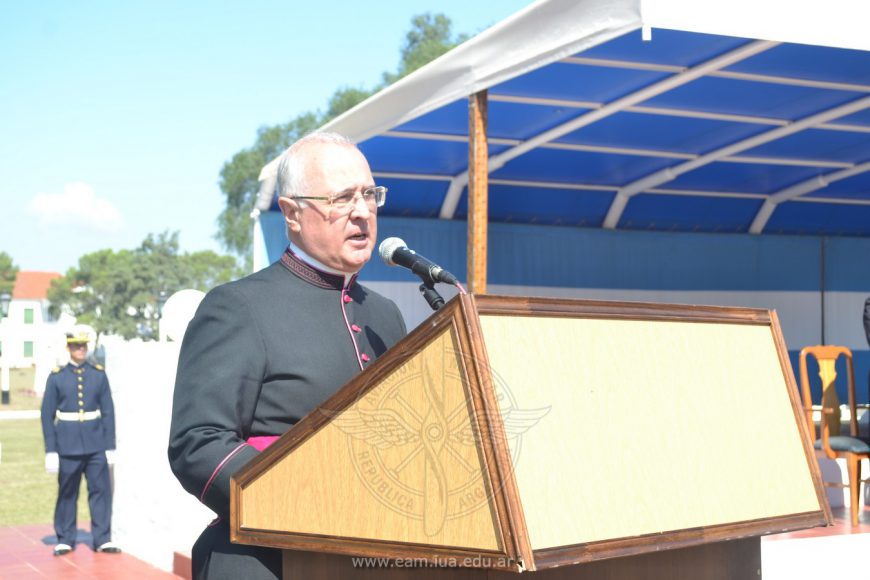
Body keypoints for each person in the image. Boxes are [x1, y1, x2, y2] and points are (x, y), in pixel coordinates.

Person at [168, 132, 407, 580]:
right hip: (267, 558)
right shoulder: (237, 306)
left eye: (369, 195)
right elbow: (197, 443)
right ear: (292, 213)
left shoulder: (385, 316)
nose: (362, 211)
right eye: (341, 198)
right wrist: (306, 499)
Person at [41, 331, 121, 556]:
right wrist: (51, 450)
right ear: (68, 348)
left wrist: (110, 446)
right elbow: (47, 414)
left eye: (83, 345)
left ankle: (102, 538)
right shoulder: (57, 376)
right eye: (76, 346)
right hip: (67, 445)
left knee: (100, 491)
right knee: (67, 493)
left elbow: (108, 411)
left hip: (96, 444)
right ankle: (65, 538)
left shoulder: (98, 375)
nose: (80, 349)